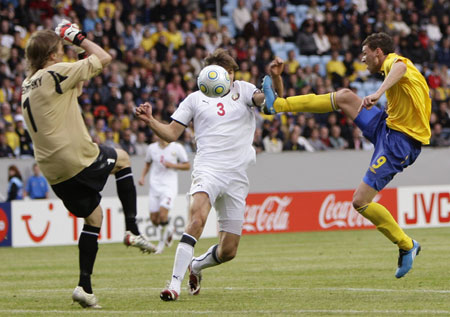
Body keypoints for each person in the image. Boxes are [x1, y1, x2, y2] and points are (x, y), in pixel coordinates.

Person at [262, 32, 429, 279]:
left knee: (360, 201)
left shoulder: (397, 62)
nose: (363, 59)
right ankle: (278, 105)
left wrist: (378, 93)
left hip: (401, 143)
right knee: (344, 96)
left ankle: (407, 245)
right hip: (387, 125)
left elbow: (401, 68)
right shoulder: (390, 67)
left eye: (365, 53)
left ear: (378, 52)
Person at [21, 20, 155, 309]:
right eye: (60, 50)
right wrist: (78, 38)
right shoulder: (55, 72)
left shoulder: (27, 86)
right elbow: (105, 58)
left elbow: (77, 87)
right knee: (122, 158)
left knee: (94, 218)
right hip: (73, 156)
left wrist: (77, 55)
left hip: (52, 170)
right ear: (53, 55)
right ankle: (132, 228)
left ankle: (85, 287)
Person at [136, 48, 284, 301]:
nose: (228, 77)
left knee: (229, 251)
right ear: (208, 75)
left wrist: (276, 77)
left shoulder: (245, 90)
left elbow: (272, 102)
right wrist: (150, 121)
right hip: (208, 169)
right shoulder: (194, 99)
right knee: (197, 220)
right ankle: (173, 284)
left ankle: (196, 266)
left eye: (231, 72)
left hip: (237, 176)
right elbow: (172, 134)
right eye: (224, 72)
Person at [138, 134, 191, 254]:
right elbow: (147, 163)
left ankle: (161, 245)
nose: (158, 136)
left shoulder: (176, 148)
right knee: (154, 220)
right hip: (154, 187)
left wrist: (172, 165)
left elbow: (187, 165)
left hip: (169, 187)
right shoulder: (151, 148)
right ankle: (170, 230)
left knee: (162, 215)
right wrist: (142, 177)